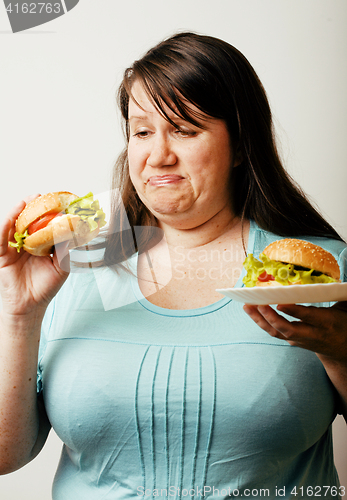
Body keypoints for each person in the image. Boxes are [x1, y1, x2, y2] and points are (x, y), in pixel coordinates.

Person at [0, 32, 346, 499]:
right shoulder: (75, 267)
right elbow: (7, 456)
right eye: (142, 131)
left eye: (184, 129)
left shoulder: (319, 272)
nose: (157, 156)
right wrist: (20, 313)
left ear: (241, 145)